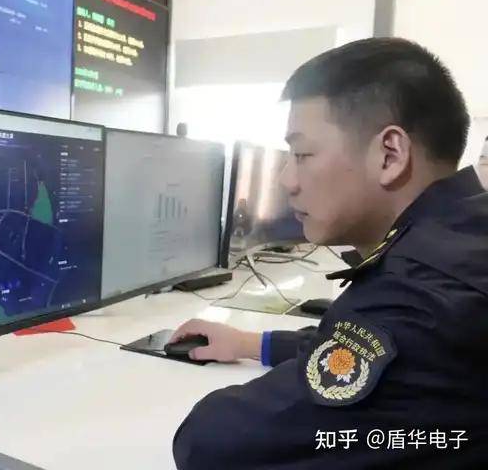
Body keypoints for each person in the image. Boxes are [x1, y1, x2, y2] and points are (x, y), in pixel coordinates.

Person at [171, 37, 488, 469]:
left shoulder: (419, 298)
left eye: (302, 153)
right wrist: (252, 344)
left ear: (390, 155)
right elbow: (374, 357)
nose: (287, 179)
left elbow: (215, 443)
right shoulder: (464, 229)